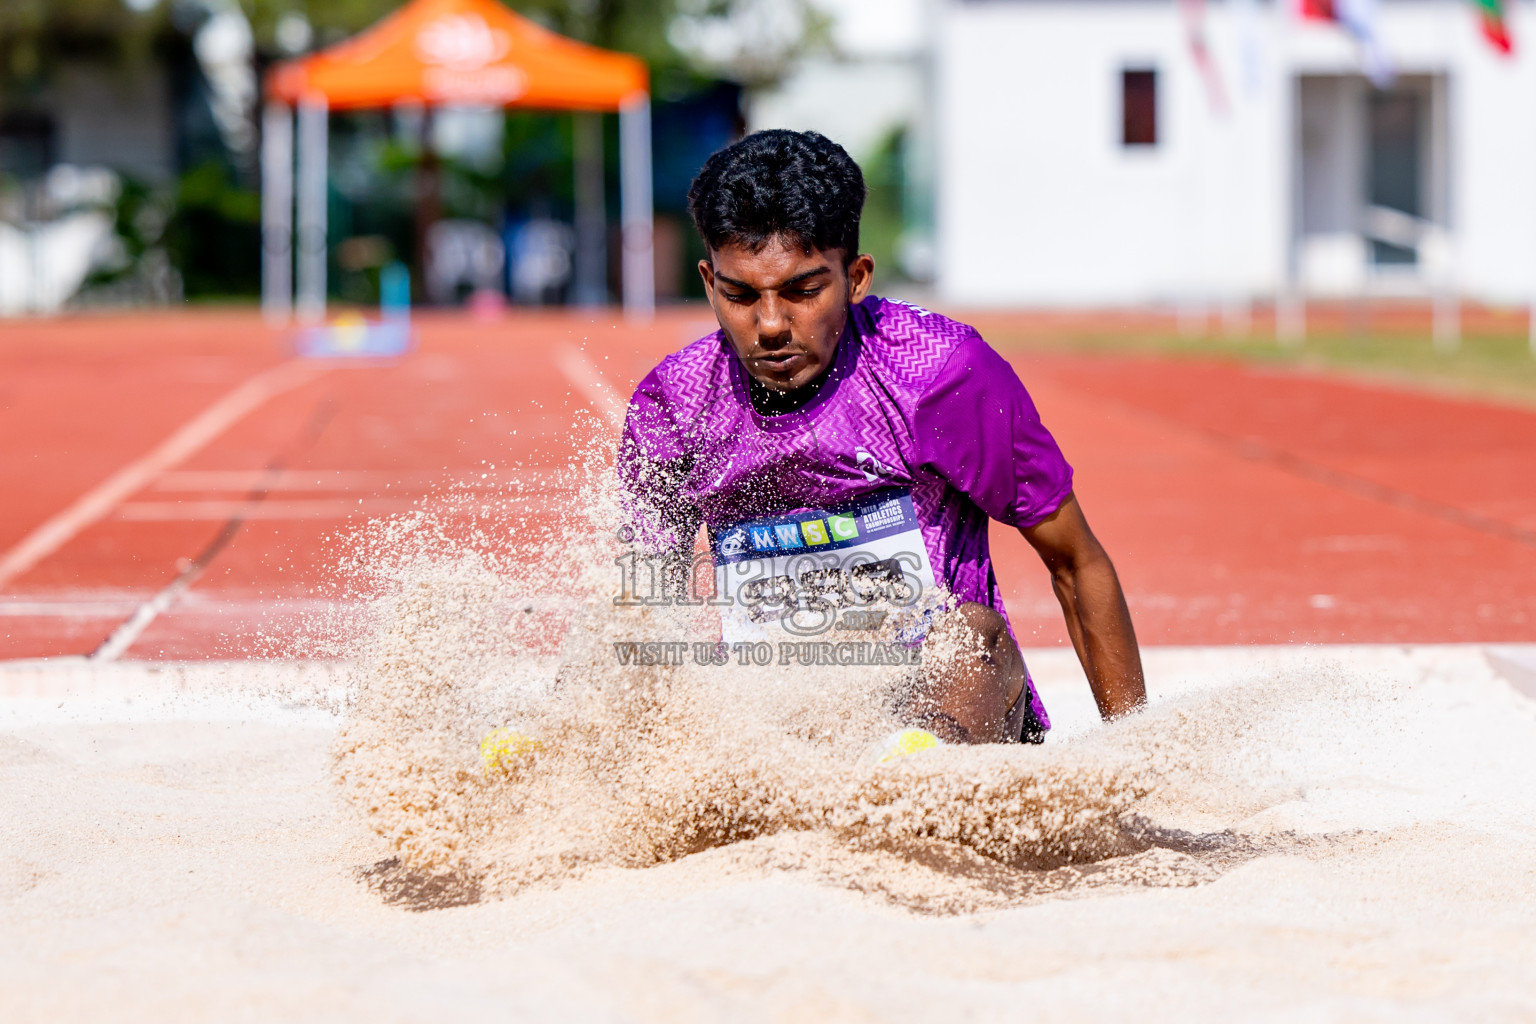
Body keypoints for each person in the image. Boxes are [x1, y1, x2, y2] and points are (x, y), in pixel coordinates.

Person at [617, 129, 1145, 747]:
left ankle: (913, 774)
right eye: (738, 295)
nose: (769, 325)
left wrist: (1133, 759)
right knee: (613, 632)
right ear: (709, 283)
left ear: (857, 277)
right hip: (770, 725)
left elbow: (1076, 562)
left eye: (803, 291)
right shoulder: (674, 404)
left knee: (973, 634)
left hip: (946, 708)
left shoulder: (940, 373)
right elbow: (645, 606)